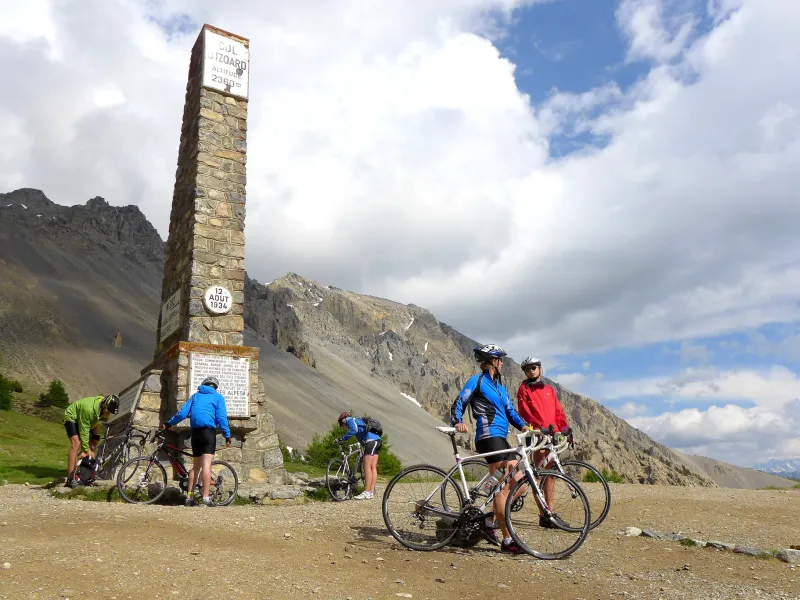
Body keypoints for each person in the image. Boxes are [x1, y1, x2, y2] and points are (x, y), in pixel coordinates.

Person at [452, 344, 531, 554]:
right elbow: (460, 401)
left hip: (501, 438)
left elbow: (511, 412)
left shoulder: (501, 388)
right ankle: (507, 541)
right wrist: (457, 421)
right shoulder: (477, 380)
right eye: (500, 359)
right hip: (487, 437)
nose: (503, 363)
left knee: (520, 485)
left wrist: (524, 426)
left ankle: (488, 520)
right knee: (502, 488)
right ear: (492, 361)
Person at [516, 356, 569, 528]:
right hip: (537, 434)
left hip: (551, 434)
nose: (531, 370)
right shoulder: (523, 389)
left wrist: (565, 427)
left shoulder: (549, 390)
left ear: (540, 368)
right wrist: (538, 428)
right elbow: (524, 411)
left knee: (551, 475)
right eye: (527, 368)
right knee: (538, 475)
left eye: (534, 367)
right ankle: (543, 514)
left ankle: (550, 512)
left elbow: (558, 411)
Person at [163, 376, 231, 507]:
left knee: (195, 467)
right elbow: (222, 418)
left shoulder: (195, 396)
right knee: (207, 466)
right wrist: (227, 435)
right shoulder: (218, 397)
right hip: (208, 433)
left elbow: (182, 414)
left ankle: (189, 497)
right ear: (215, 387)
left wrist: (169, 423)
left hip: (195, 433)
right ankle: (205, 498)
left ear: (204, 385)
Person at [64, 394, 120, 487]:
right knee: (76, 444)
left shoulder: (101, 407)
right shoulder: (88, 409)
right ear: (104, 406)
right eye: (108, 411)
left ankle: (89, 475)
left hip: (88, 420)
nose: (109, 414)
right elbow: (84, 430)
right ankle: (70, 478)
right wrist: (85, 450)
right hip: (72, 417)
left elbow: (95, 421)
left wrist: (95, 436)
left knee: (93, 444)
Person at [336, 412, 381, 500]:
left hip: (371, 441)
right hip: (377, 441)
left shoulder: (350, 420)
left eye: (342, 425)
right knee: (373, 468)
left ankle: (366, 492)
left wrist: (343, 438)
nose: (343, 427)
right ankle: (371, 492)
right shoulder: (359, 421)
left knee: (367, 467)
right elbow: (361, 439)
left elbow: (354, 430)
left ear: (343, 421)